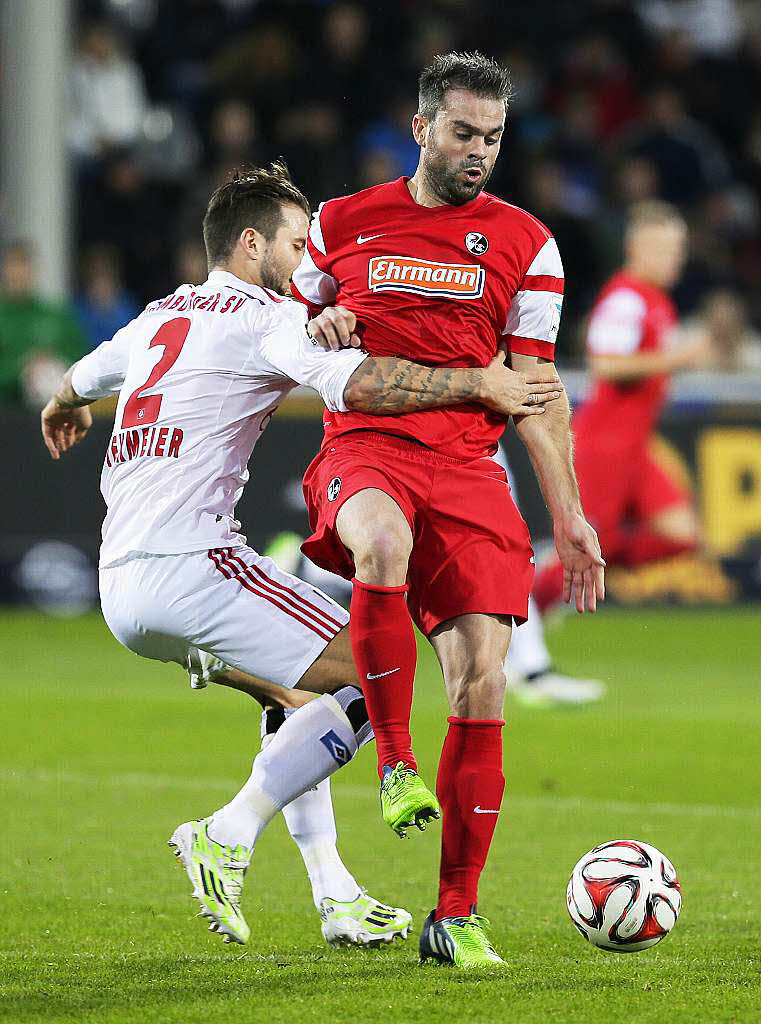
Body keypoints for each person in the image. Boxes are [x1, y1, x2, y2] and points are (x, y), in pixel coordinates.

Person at [39, 161, 560, 951]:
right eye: (294, 240)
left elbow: (83, 375)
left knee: (291, 698)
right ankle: (226, 829)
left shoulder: (156, 317)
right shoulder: (268, 321)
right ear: (251, 245)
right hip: (195, 565)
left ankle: (335, 895)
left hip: (123, 588)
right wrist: (475, 383)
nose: (307, 254)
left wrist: (62, 404)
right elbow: (365, 388)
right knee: (367, 681)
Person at [290, 52, 604, 968]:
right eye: (463, 133)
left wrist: (571, 516)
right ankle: (394, 763)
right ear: (421, 127)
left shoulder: (526, 242)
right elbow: (273, 323)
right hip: (366, 447)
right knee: (380, 543)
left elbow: (537, 389)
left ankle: (454, 916)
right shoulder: (339, 224)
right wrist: (314, 324)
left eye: (494, 138)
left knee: (483, 680)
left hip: (470, 465)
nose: (479, 152)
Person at [533, 200, 707, 613]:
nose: (675, 259)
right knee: (589, 542)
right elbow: (605, 364)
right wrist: (677, 358)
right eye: (666, 249)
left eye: (678, 249)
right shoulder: (625, 299)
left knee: (682, 535)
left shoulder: (654, 299)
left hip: (635, 447)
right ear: (637, 248)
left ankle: (556, 562)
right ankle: (525, 622)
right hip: (606, 443)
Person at [0, 241, 86, 407]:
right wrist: (22, 369)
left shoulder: (56, 315)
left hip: (55, 414)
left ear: (33, 270)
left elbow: (81, 356)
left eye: (23, 265)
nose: (18, 273)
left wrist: (53, 361)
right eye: (13, 266)